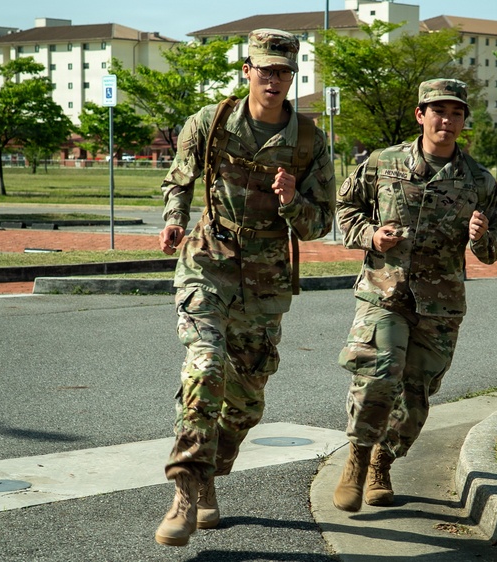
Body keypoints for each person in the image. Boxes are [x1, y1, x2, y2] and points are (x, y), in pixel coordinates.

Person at [154, 28, 335, 546]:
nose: (273, 79)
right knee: (205, 366)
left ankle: (211, 472)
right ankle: (185, 492)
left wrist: (291, 200)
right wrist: (174, 218)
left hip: (265, 275)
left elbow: (320, 223)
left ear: (291, 77)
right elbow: (178, 179)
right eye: (265, 69)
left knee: (247, 402)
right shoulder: (211, 122)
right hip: (208, 259)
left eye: (283, 71)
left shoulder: (308, 141)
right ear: (247, 71)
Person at [332, 78, 497, 512]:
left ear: (464, 121)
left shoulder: (479, 181)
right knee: (379, 372)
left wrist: (481, 237)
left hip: (439, 305)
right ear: (421, 115)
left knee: (414, 398)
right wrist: (371, 235)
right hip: (384, 293)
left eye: (455, 113)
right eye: (438, 111)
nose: (446, 120)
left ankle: (383, 461)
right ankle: (356, 458)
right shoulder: (383, 163)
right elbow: (346, 209)